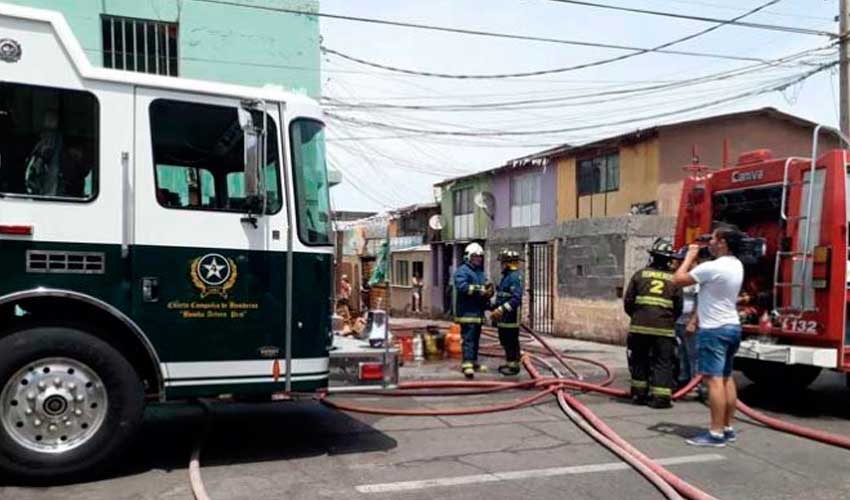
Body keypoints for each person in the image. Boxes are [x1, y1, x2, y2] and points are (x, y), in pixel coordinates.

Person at [673, 227, 744, 447]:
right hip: (732, 326)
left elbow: (677, 279)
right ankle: (727, 427)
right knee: (726, 378)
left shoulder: (712, 267)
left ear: (722, 242)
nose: (710, 242)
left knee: (713, 381)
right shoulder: (736, 264)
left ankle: (714, 433)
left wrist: (689, 257)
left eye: (713, 239)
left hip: (714, 330)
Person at [623, 237, 682, 409]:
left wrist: (636, 317)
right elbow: (678, 307)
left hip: (639, 326)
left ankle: (639, 394)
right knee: (663, 362)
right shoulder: (674, 280)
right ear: (669, 259)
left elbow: (628, 302)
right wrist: (669, 320)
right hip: (664, 329)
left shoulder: (640, 275)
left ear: (652, 257)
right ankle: (661, 398)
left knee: (639, 359)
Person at [453, 242, 494, 379]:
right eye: (476, 256)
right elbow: (462, 287)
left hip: (478, 313)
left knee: (476, 340)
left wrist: (489, 292)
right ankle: (467, 364)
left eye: (480, 257)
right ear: (468, 257)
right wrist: (481, 290)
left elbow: (484, 288)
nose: (479, 259)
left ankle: (474, 362)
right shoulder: (462, 271)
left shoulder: (480, 272)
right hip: (467, 313)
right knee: (469, 340)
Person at [671, 247, 702, 397]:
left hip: (689, 322)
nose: (677, 263)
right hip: (678, 321)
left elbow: (699, 302)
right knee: (681, 353)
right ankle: (684, 380)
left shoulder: (697, 278)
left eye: (680, 260)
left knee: (693, 354)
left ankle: (695, 384)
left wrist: (693, 321)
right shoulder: (681, 277)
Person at [490, 249, 523, 376]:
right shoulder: (506, 277)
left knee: (510, 341)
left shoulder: (514, 277)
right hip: (503, 318)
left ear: (508, 263)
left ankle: (513, 366)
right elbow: (503, 296)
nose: (501, 265)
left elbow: (516, 299)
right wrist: (492, 306)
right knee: (505, 340)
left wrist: (501, 309)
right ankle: (510, 362)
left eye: (502, 263)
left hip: (510, 318)